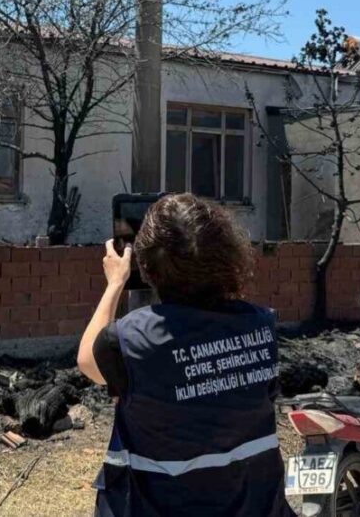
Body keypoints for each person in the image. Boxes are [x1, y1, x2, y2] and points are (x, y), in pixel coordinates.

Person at [78, 193, 293, 517]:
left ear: (146, 267)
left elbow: (87, 362)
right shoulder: (260, 326)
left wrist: (115, 283)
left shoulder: (133, 338)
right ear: (226, 254)